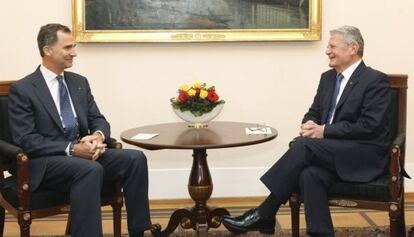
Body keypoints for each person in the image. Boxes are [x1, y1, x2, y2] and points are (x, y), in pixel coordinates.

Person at [222, 25, 392, 237]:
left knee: (303, 146)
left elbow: (369, 126)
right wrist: (310, 125)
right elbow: (314, 112)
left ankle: (265, 212)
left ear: (353, 48)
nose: (327, 51)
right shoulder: (327, 78)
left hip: (363, 155)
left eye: (332, 46)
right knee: (309, 174)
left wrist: (324, 131)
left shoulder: (374, 80)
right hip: (331, 152)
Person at [8, 23, 151, 237]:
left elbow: (98, 119)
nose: (74, 53)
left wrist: (97, 136)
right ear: (47, 50)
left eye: (74, 46)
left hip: (83, 155)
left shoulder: (78, 82)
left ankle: (139, 231)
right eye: (67, 48)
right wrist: (72, 149)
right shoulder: (24, 89)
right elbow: (26, 139)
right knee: (90, 170)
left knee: (135, 159)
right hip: (45, 162)